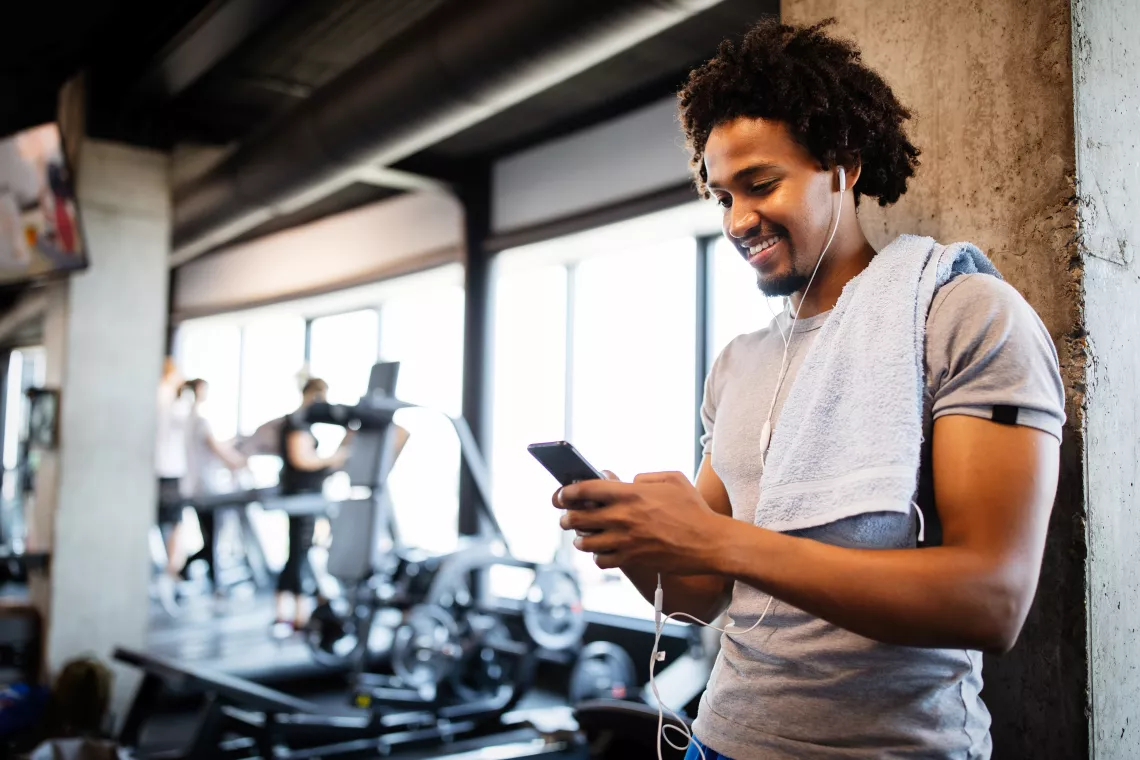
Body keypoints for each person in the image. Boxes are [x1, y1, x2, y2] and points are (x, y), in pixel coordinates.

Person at [553, 19, 1063, 760]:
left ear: (842, 166)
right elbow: (700, 594)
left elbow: (993, 602)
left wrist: (716, 537)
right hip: (720, 741)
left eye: (761, 185)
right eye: (721, 195)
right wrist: (636, 540)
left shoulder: (962, 315)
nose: (738, 220)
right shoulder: (739, 363)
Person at [274, 377, 351, 632]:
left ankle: (290, 612)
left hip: (307, 492)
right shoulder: (298, 421)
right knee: (299, 551)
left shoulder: (301, 421)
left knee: (299, 550)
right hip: (301, 493)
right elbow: (302, 459)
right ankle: (296, 614)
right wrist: (333, 458)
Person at [181, 379, 247, 597]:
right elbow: (216, 449)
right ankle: (186, 569)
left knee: (209, 537)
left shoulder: (188, 420)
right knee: (211, 538)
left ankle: (209, 581)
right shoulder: (200, 421)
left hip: (194, 484)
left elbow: (213, 447)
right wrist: (237, 460)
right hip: (205, 487)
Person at [154, 358, 190, 593]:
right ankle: (172, 568)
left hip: (156, 469)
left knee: (165, 521)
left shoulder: (155, 396)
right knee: (175, 522)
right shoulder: (172, 399)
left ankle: (170, 567)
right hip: (169, 469)